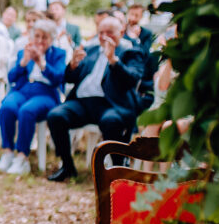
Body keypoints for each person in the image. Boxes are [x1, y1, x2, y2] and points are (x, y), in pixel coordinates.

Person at [45, 16, 145, 181]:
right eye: (101, 32)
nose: (104, 36)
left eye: (109, 33)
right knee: (56, 115)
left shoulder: (131, 52)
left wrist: (113, 60)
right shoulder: (91, 50)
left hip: (111, 104)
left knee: (111, 121)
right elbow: (70, 78)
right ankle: (67, 166)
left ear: (120, 32)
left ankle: (117, 170)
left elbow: (132, 79)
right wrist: (72, 66)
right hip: (83, 103)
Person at [0, 19, 66, 175]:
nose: (40, 41)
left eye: (44, 37)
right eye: (37, 36)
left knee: (27, 111)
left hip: (45, 93)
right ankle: (7, 152)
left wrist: (42, 63)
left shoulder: (59, 54)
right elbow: (11, 77)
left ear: (51, 39)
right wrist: (24, 62)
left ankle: (22, 157)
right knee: (7, 107)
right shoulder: (23, 51)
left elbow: (58, 78)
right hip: (22, 90)